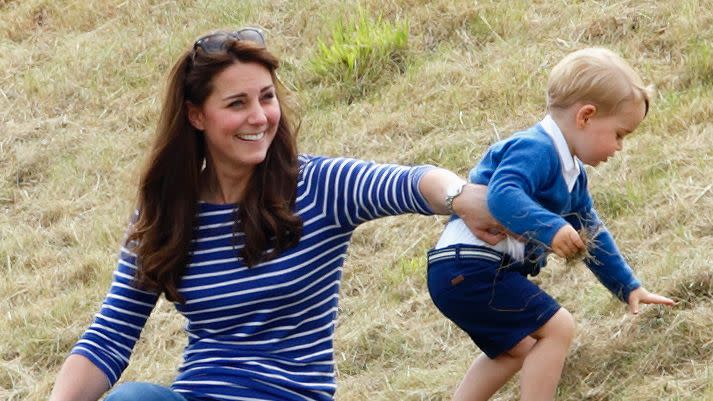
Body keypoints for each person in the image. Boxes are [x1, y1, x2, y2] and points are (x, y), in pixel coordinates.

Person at [48, 27, 504, 401]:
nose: (260, 117)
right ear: (196, 116)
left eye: (266, 98)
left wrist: (458, 195)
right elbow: (110, 335)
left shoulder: (317, 186)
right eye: (236, 103)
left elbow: (410, 182)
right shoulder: (168, 209)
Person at [426, 47, 675, 401]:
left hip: (463, 271)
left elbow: (593, 233)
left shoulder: (572, 176)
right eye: (620, 134)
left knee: (519, 348)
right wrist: (551, 228)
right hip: (469, 265)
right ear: (586, 116)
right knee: (558, 328)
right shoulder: (536, 148)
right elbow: (501, 196)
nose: (620, 147)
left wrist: (628, 287)